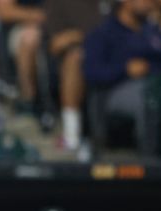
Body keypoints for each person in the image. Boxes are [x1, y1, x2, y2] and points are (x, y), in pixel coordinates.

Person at [83, 0, 161, 152]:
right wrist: (124, 69)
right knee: (147, 97)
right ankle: (150, 160)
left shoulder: (154, 32)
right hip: (115, 91)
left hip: (158, 85)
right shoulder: (104, 32)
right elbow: (92, 72)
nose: (149, 3)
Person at [43, 0, 104, 150]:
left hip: (113, 56)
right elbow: (55, 44)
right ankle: (71, 134)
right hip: (77, 61)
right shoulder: (59, 3)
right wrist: (76, 37)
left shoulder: (114, 4)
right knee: (75, 58)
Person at [0, 0, 46, 113]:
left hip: (58, 26)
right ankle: (29, 100)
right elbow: (4, 12)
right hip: (20, 29)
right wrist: (39, 15)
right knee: (28, 38)